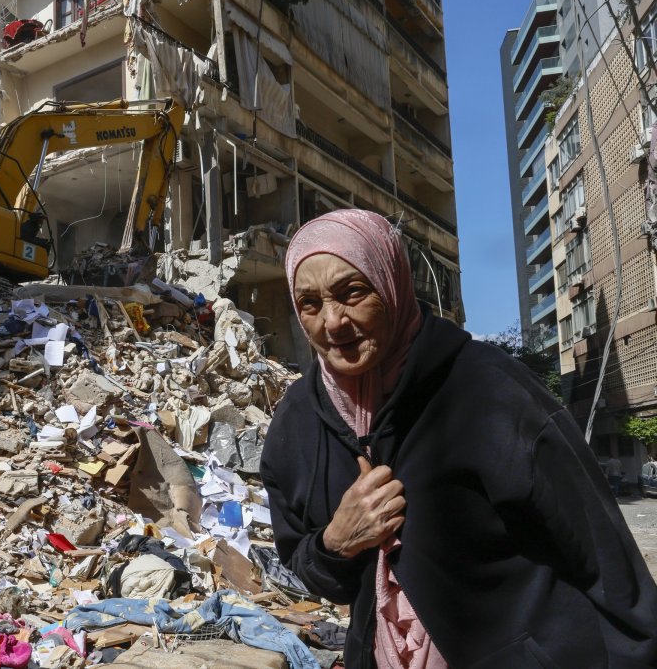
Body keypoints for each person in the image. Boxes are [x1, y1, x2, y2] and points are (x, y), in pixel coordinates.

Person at [259, 210, 657, 668]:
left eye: (352, 293)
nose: (332, 322)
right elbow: (308, 572)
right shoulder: (298, 425)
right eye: (309, 304)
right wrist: (338, 541)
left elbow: (602, 557)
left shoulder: (490, 390)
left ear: (392, 284)